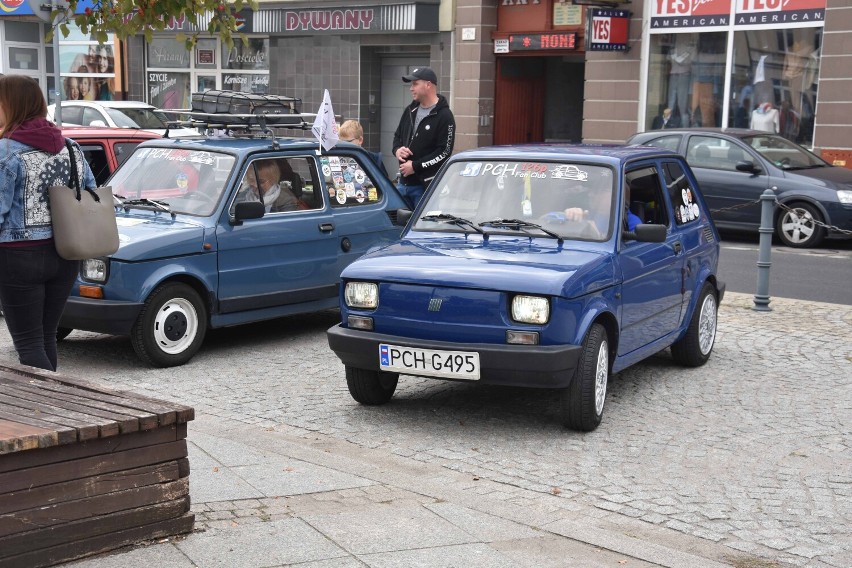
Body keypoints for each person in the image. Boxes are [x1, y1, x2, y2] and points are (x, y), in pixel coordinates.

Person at [0, 75, 97, 371]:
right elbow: (91, 190)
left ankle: (48, 411)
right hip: (65, 254)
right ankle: (54, 405)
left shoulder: (7, 151)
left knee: (29, 345)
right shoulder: (70, 147)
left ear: (12, 106)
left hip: (19, 257)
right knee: (44, 339)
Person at [392, 67, 455, 209]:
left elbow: (444, 152)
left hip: (425, 187)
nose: (410, 88)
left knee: (424, 229)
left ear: (428, 85)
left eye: (415, 84)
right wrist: (397, 150)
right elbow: (397, 136)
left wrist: (415, 166)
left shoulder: (444, 116)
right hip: (403, 185)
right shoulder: (410, 110)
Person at [240, 159, 307, 213]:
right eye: (251, 180)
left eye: (261, 182)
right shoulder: (243, 195)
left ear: (273, 181)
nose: (255, 185)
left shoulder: (286, 201)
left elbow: (285, 227)